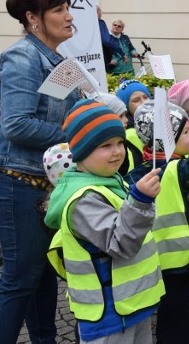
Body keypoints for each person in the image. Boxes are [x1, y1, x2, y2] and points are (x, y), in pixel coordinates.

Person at [0, 0, 81, 343]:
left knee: (41, 272)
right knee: (19, 277)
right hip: (16, 181)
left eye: (67, 8)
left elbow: (60, 113)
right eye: (58, 10)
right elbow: (16, 125)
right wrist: (77, 134)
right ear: (32, 19)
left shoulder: (55, 59)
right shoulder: (22, 58)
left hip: (44, 183)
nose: (68, 16)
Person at [45, 99, 165, 343]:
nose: (118, 151)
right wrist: (140, 200)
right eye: (105, 145)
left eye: (120, 142)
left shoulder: (109, 181)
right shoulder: (83, 199)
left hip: (131, 305)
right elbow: (121, 243)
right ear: (82, 152)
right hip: (109, 316)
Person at [126, 100, 189, 344]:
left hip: (155, 256)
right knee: (178, 313)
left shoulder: (139, 170)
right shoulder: (176, 170)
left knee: (168, 311)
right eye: (185, 131)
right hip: (177, 260)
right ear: (166, 138)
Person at [116, 79, 151, 155]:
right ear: (125, 105)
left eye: (145, 97)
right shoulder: (126, 132)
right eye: (136, 100)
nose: (144, 102)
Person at [96, 6, 123, 73]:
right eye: (115, 25)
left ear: (122, 29)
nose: (116, 27)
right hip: (104, 65)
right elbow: (107, 42)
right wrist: (122, 54)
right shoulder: (100, 24)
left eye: (119, 26)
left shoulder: (124, 38)